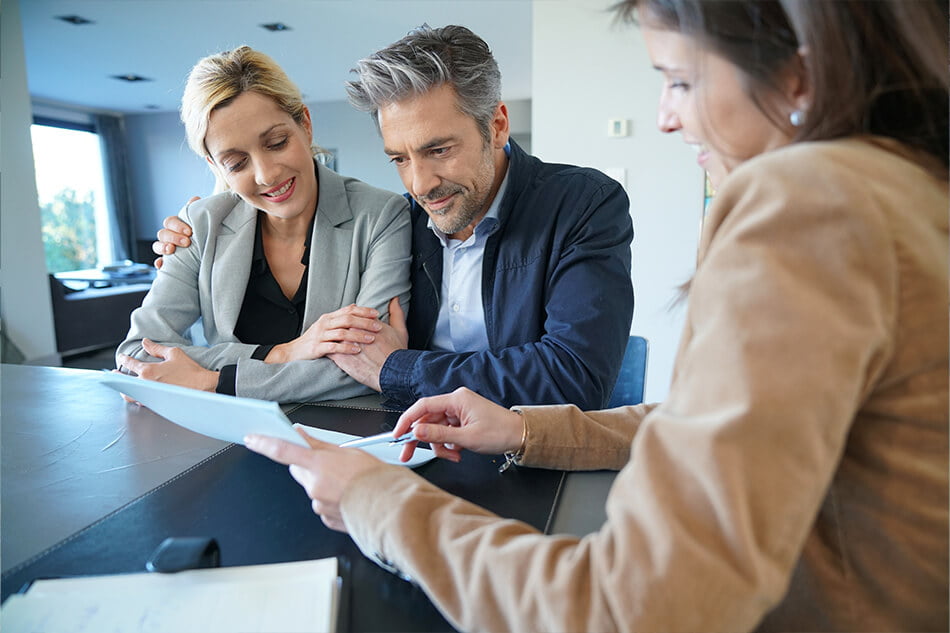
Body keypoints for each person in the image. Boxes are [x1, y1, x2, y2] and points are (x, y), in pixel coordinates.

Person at [244, 0, 949, 630]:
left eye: (679, 79)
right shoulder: (896, 188)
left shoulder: (808, 205)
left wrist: (380, 503)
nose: (666, 115)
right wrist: (522, 426)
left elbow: (632, 608)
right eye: (400, 157)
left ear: (799, 74)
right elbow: (704, 419)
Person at [154, 25, 634, 410]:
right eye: (399, 159)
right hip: (412, 440)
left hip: (531, 455)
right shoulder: (404, 220)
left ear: (497, 125)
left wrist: (399, 369)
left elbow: (576, 377)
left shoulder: (584, 204)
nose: (420, 184)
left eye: (438, 150)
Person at [116, 46, 411, 402]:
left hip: (345, 436)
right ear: (214, 165)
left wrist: (213, 380)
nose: (266, 174)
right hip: (226, 435)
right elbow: (136, 356)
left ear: (305, 124)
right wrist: (283, 353)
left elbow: (371, 364)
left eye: (276, 143)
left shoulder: (382, 215)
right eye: (237, 163)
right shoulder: (200, 224)